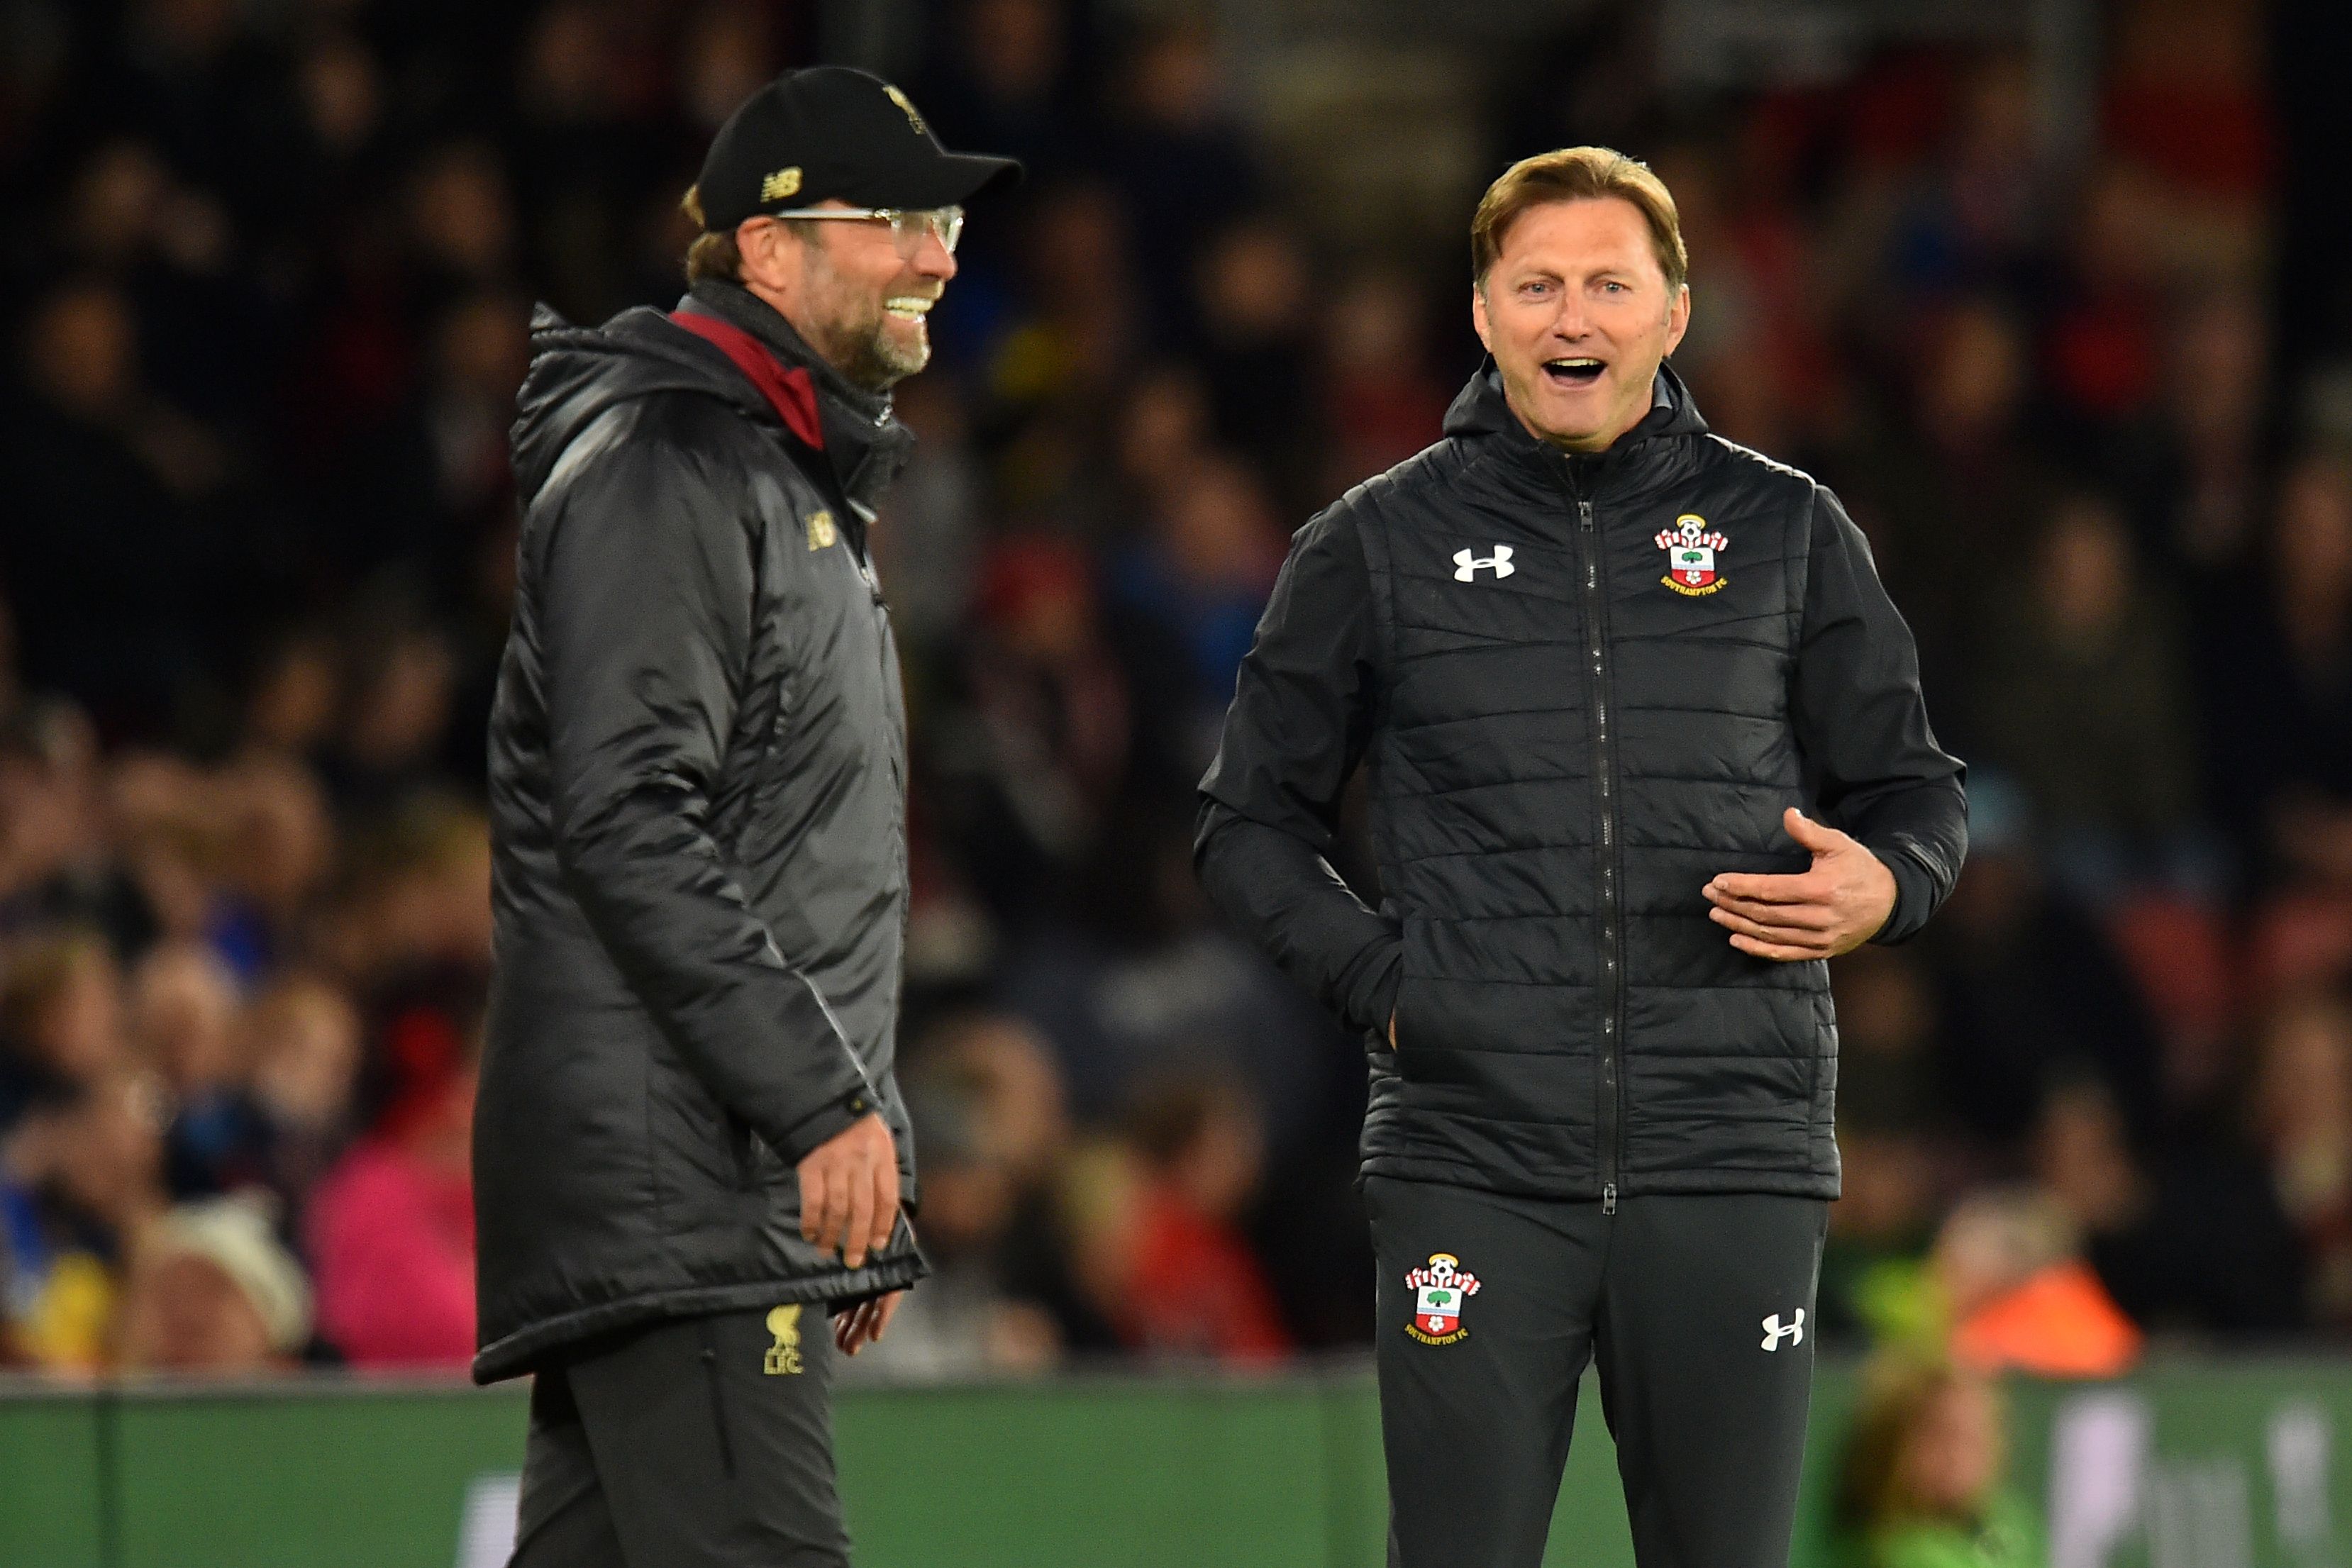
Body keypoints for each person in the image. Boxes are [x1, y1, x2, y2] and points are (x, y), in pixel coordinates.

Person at [1196, 147, 1968, 1568]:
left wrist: (1884, 886)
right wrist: (1386, 981)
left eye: (1608, 285)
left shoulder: (1785, 530)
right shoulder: (1373, 543)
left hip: (1729, 1143)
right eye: (1536, 284)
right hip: (1471, 1153)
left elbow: (1914, 792)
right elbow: (1245, 821)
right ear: (1480, 313)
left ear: (1673, 313)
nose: (1573, 319)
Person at [472, 66, 1016, 1568]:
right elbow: (631, 816)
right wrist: (821, 1103)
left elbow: (790, 854)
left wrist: (860, 1127)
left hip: (705, 1168)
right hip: (686, 1177)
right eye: (898, 219)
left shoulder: (776, 474)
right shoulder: (672, 466)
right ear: (768, 252)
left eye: (945, 221)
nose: (940, 253)